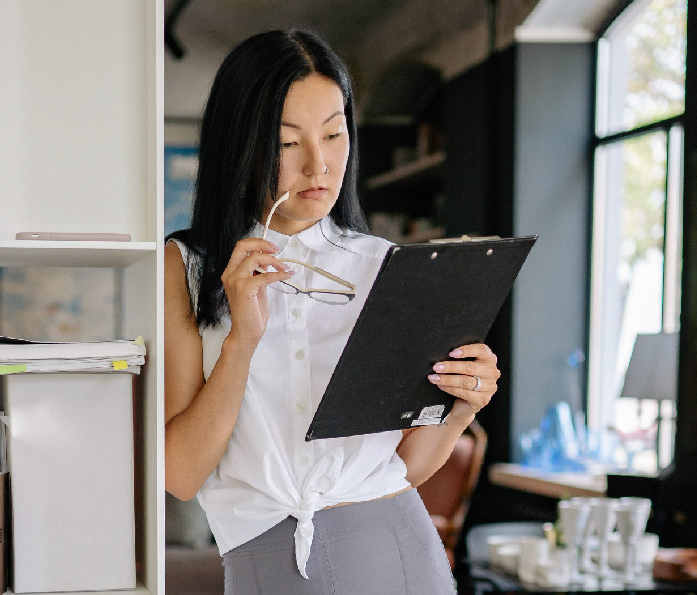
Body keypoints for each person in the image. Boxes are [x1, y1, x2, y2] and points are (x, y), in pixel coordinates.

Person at [165, 29, 500, 594]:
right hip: (264, 554)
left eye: (334, 134)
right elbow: (181, 473)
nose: (318, 164)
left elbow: (406, 467)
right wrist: (242, 339)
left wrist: (463, 406)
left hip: (400, 549)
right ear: (240, 145)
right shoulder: (187, 267)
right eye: (287, 142)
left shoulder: (386, 267)